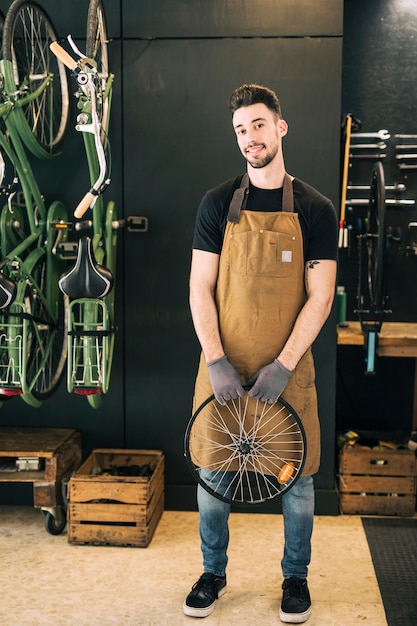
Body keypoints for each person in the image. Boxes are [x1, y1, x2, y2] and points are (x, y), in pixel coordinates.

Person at [185, 83, 338, 623]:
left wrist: (285, 365)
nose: (249, 137)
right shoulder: (216, 205)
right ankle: (212, 572)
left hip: (286, 373)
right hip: (224, 369)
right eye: (240, 130)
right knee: (212, 477)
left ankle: (295, 581)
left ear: (280, 127)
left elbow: (320, 297)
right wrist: (216, 360)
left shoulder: (316, 209)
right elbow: (199, 287)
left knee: (296, 483)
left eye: (257, 125)